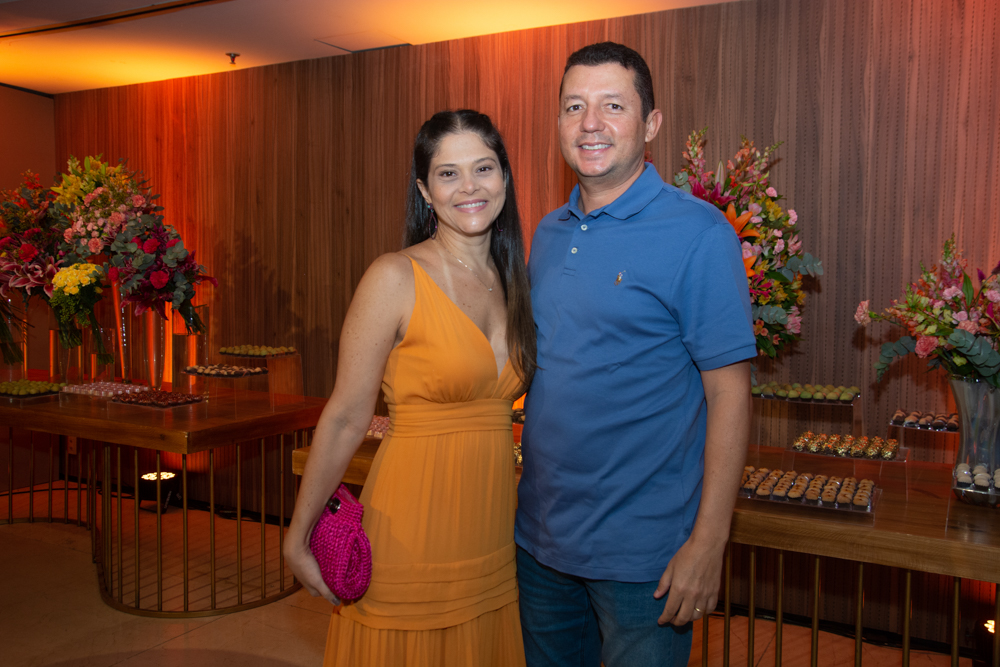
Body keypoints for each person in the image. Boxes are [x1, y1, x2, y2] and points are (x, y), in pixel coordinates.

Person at [516, 42, 756, 666]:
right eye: (574, 106)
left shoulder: (700, 234)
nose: (590, 123)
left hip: (644, 558)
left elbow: (729, 394)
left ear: (650, 124)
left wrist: (709, 541)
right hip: (541, 541)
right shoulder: (548, 232)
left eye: (613, 106)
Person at [284, 109, 535, 666]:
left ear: (504, 177)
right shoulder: (394, 277)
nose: (469, 187)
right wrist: (297, 536)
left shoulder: (515, 280)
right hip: (411, 525)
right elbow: (346, 417)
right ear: (424, 191)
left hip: (492, 529)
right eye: (448, 174)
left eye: (483, 168)